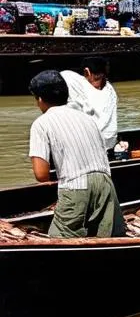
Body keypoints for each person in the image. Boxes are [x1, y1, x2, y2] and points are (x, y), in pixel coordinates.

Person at [28, 70, 126, 239]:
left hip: (76, 186)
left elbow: (41, 174)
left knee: (59, 239)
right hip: (106, 184)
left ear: (40, 99)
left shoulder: (41, 124)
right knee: (107, 237)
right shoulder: (88, 119)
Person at [62, 56, 119, 152]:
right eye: (97, 79)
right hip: (104, 143)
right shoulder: (76, 82)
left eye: (102, 78)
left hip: (100, 144)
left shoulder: (109, 90)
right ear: (86, 72)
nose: (99, 84)